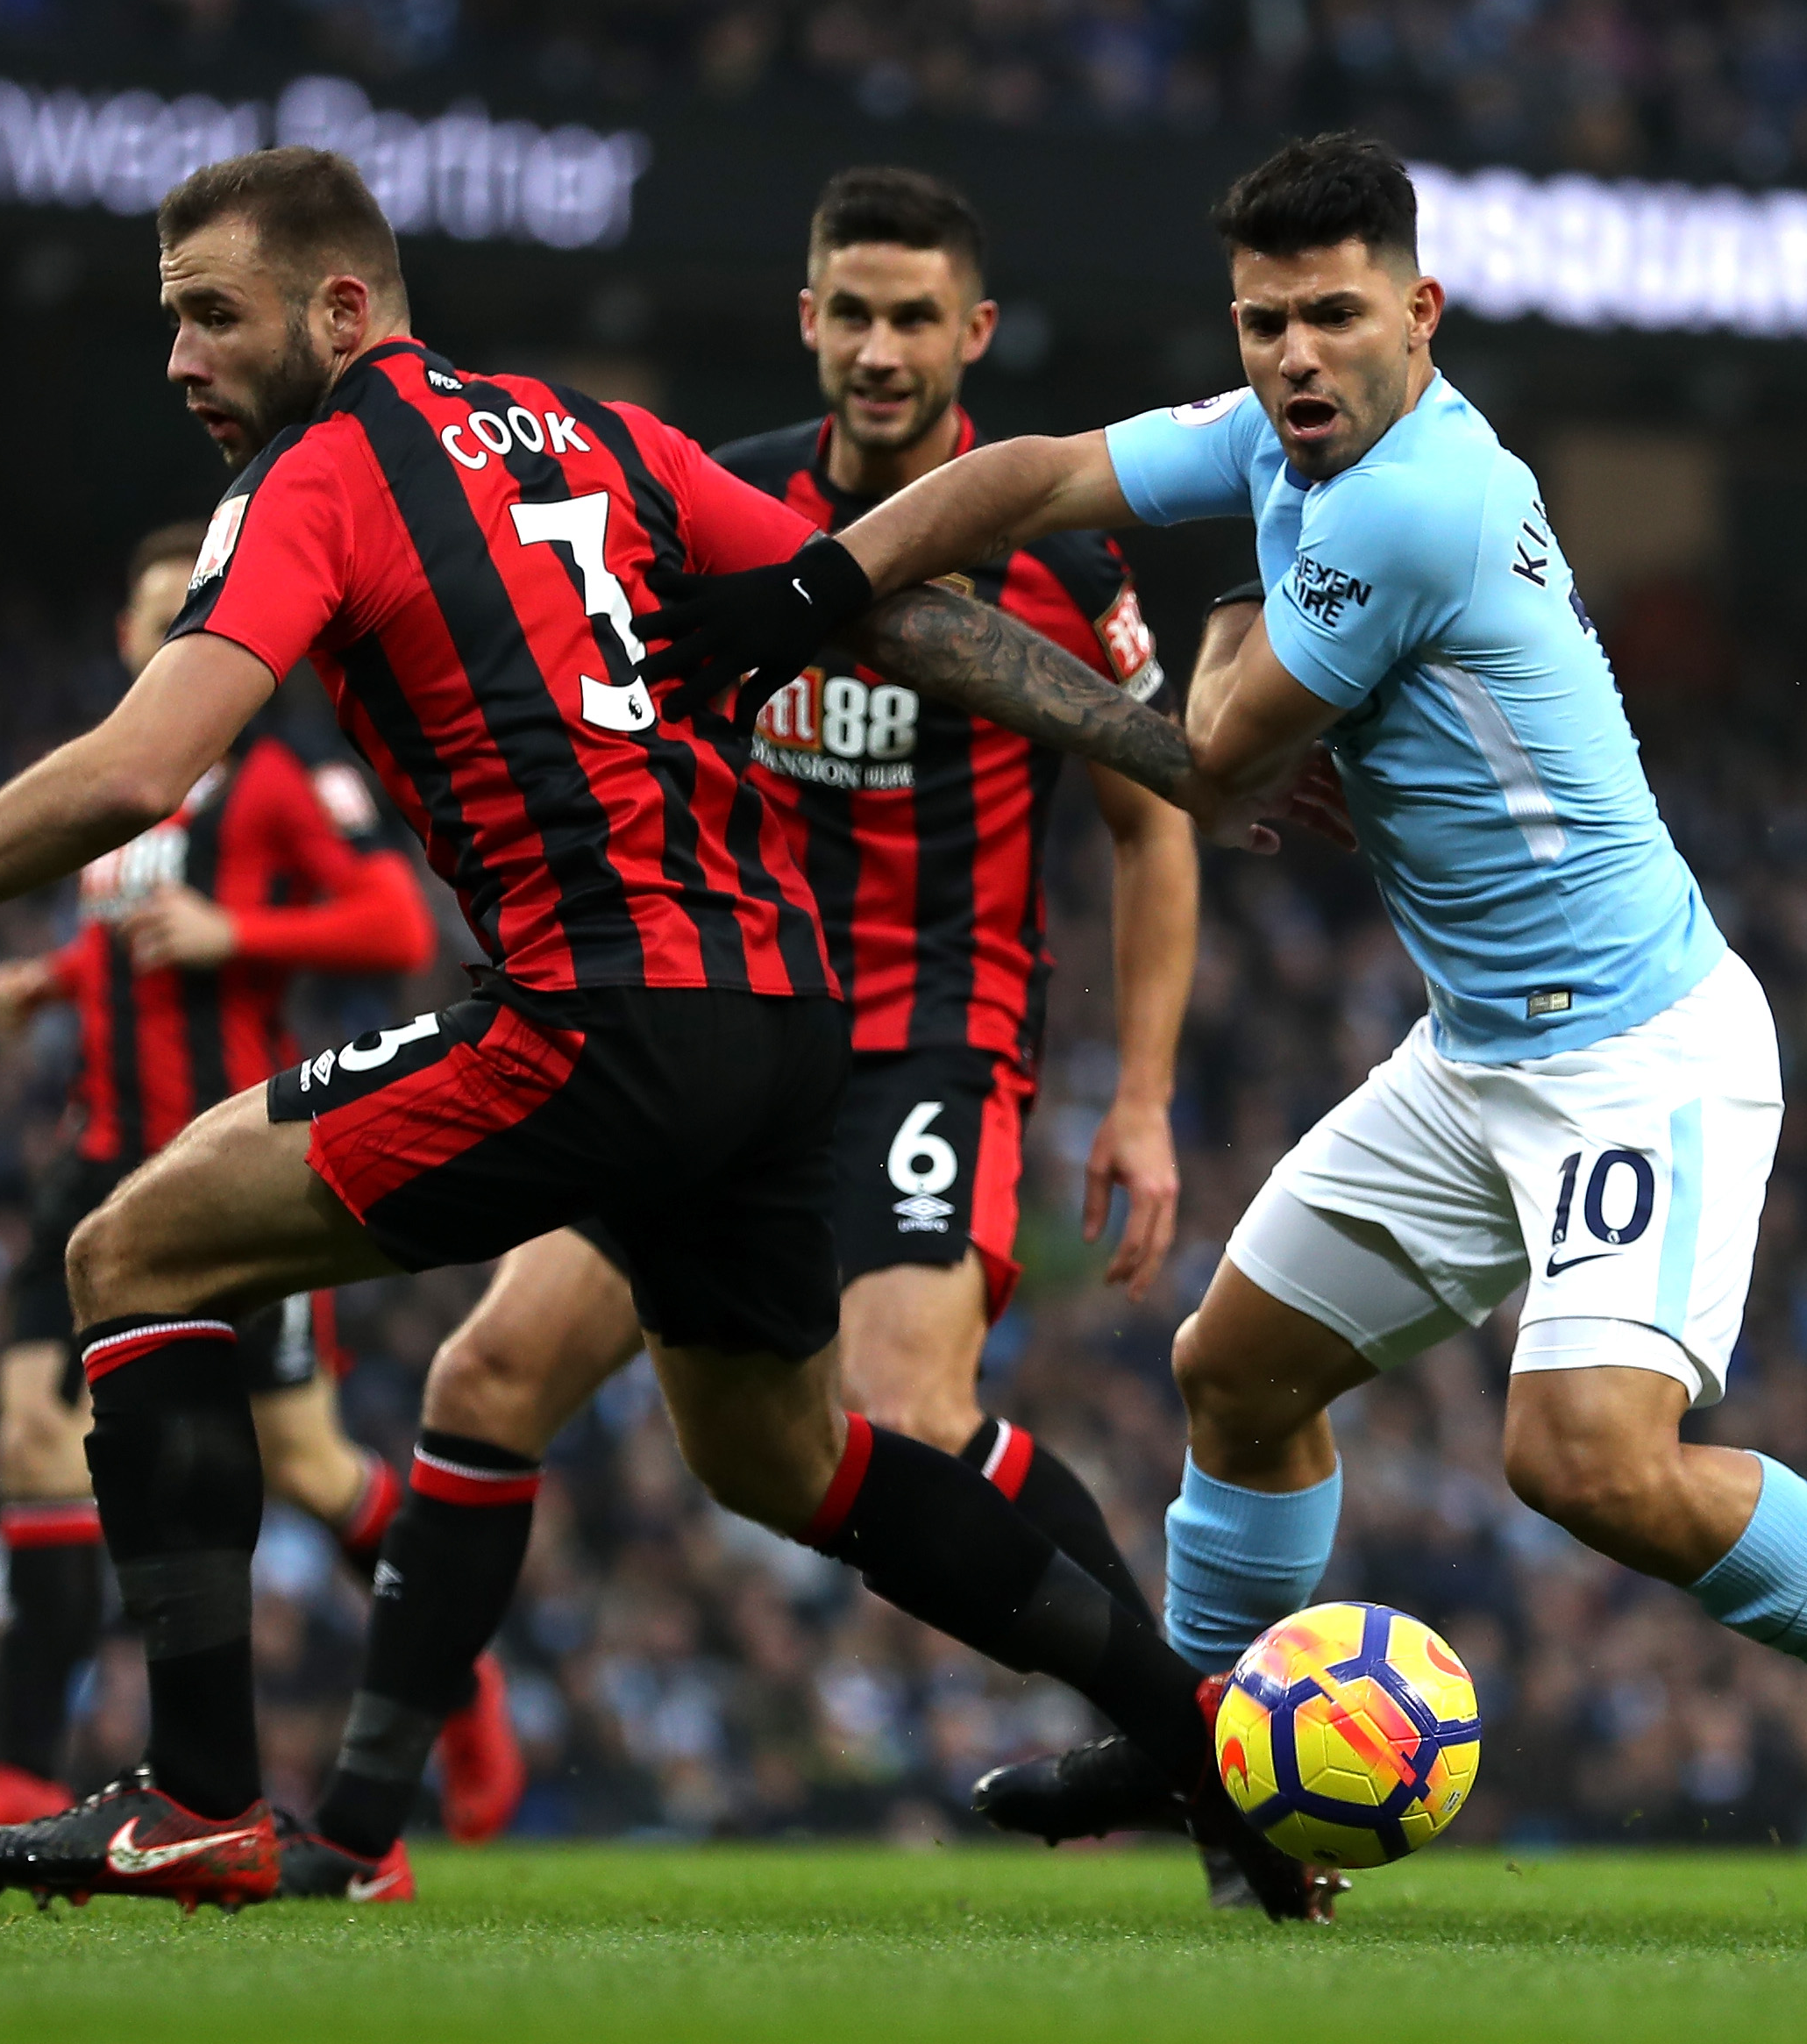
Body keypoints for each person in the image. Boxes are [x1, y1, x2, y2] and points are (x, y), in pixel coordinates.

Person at [0, 145, 1321, 1919]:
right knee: (784, 1460)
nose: (178, 360)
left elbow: (137, 768)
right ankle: (1207, 1752)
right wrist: (1178, 748)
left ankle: (196, 1799)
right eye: (168, 321)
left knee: (134, 1249)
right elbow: (889, 610)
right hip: (787, 1019)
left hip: (603, 1018)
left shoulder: (314, 484)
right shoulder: (600, 435)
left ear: (342, 308)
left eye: (209, 316)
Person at [642, 131, 1807, 1924]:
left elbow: (1213, 762)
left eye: (1332, 317)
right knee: (1235, 1374)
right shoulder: (1278, 441)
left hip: (1637, 1053)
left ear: (1420, 314)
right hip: (1475, 1054)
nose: (1294, 358)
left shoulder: (1417, 500)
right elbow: (1036, 473)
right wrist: (811, 592)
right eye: (1262, 323)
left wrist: (1094, 639)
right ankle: (1212, 1756)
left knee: (1580, 1459)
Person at [288, 167, 1208, 1885]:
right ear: (805, 318)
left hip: (933, 1032)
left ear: (974, 336)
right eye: (848, 313)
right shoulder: (722, 501)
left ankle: (1180, 1748)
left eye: (912, 318)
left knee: (910, 1414)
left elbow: (1151, 827)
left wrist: (1143, 1096)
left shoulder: (1051, 553)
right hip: (723, 1021)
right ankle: (359, 1834)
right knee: (484, 1375)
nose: (877, 350)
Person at [0, 525, 522, 1884]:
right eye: (142, 614)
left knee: (304, 1466)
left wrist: (242, 936)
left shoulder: (281, 785)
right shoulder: (126, 795)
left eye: (179, 611)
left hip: (221, 1169)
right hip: (93, 1155)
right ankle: (16, 1753)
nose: (155, 633)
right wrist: (50, 984)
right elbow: (131, 938)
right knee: (26, 1433)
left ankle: (457, 1687)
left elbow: (396, 929)